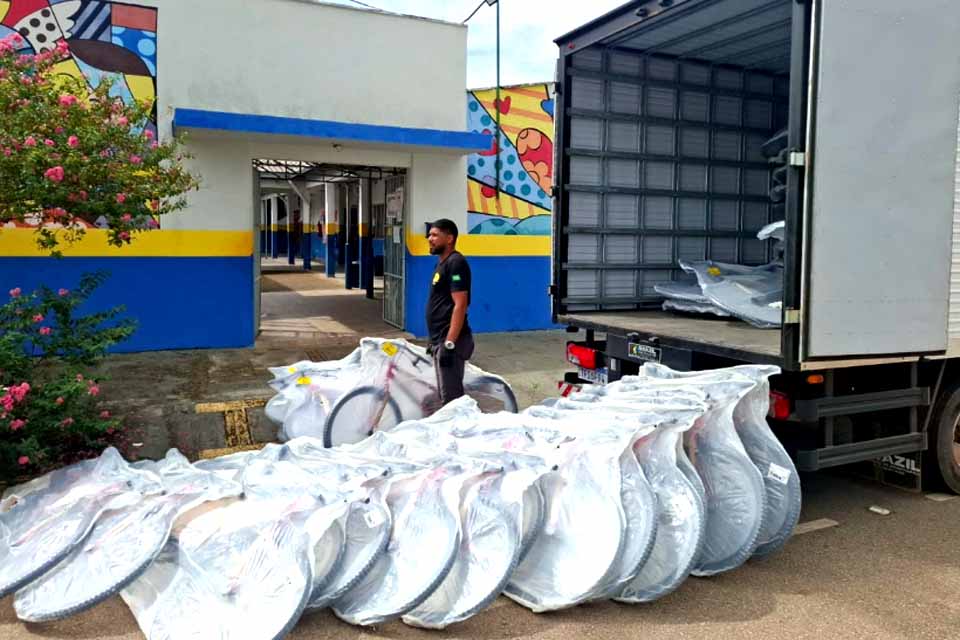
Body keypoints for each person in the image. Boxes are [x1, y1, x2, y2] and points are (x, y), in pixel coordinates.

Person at [425, 219, 474, 405]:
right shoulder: (442, 263)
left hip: (451, 341)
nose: (430, 238)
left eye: (435, 235)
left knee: (452, 403)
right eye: (429, 235)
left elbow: (460, 304)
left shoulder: (456, 263)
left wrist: (450, 343)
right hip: (440, 340)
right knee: (445, 396)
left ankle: (462, 433)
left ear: (450, 238)